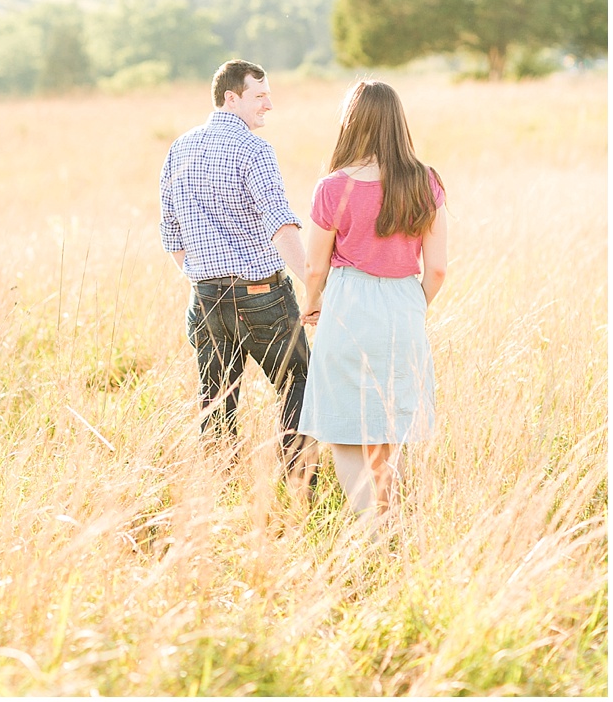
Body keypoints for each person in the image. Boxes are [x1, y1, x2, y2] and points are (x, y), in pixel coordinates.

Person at [298, 80, 447, 525]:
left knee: (345, 430)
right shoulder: (426, 181)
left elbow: (313, 267)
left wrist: (312, 304)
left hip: (346, 304)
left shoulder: (332, 188)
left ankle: (374, 533)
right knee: (388, 427)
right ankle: (388, 524)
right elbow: (437, 269)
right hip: (404, 303)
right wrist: (412, 305)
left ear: (352, 123)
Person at [158, 59, 313, 471]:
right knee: (301, 381)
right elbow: (280, 223)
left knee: (216, 398)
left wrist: (204, 279)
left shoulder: (180, 147)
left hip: (205, 296)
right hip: (262, 294)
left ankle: (219, 492)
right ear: (231, 97)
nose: (269, 105)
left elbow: (172, 235)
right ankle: (297, 487)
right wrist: (317, 287)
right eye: (259, 96)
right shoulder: (254, 148)